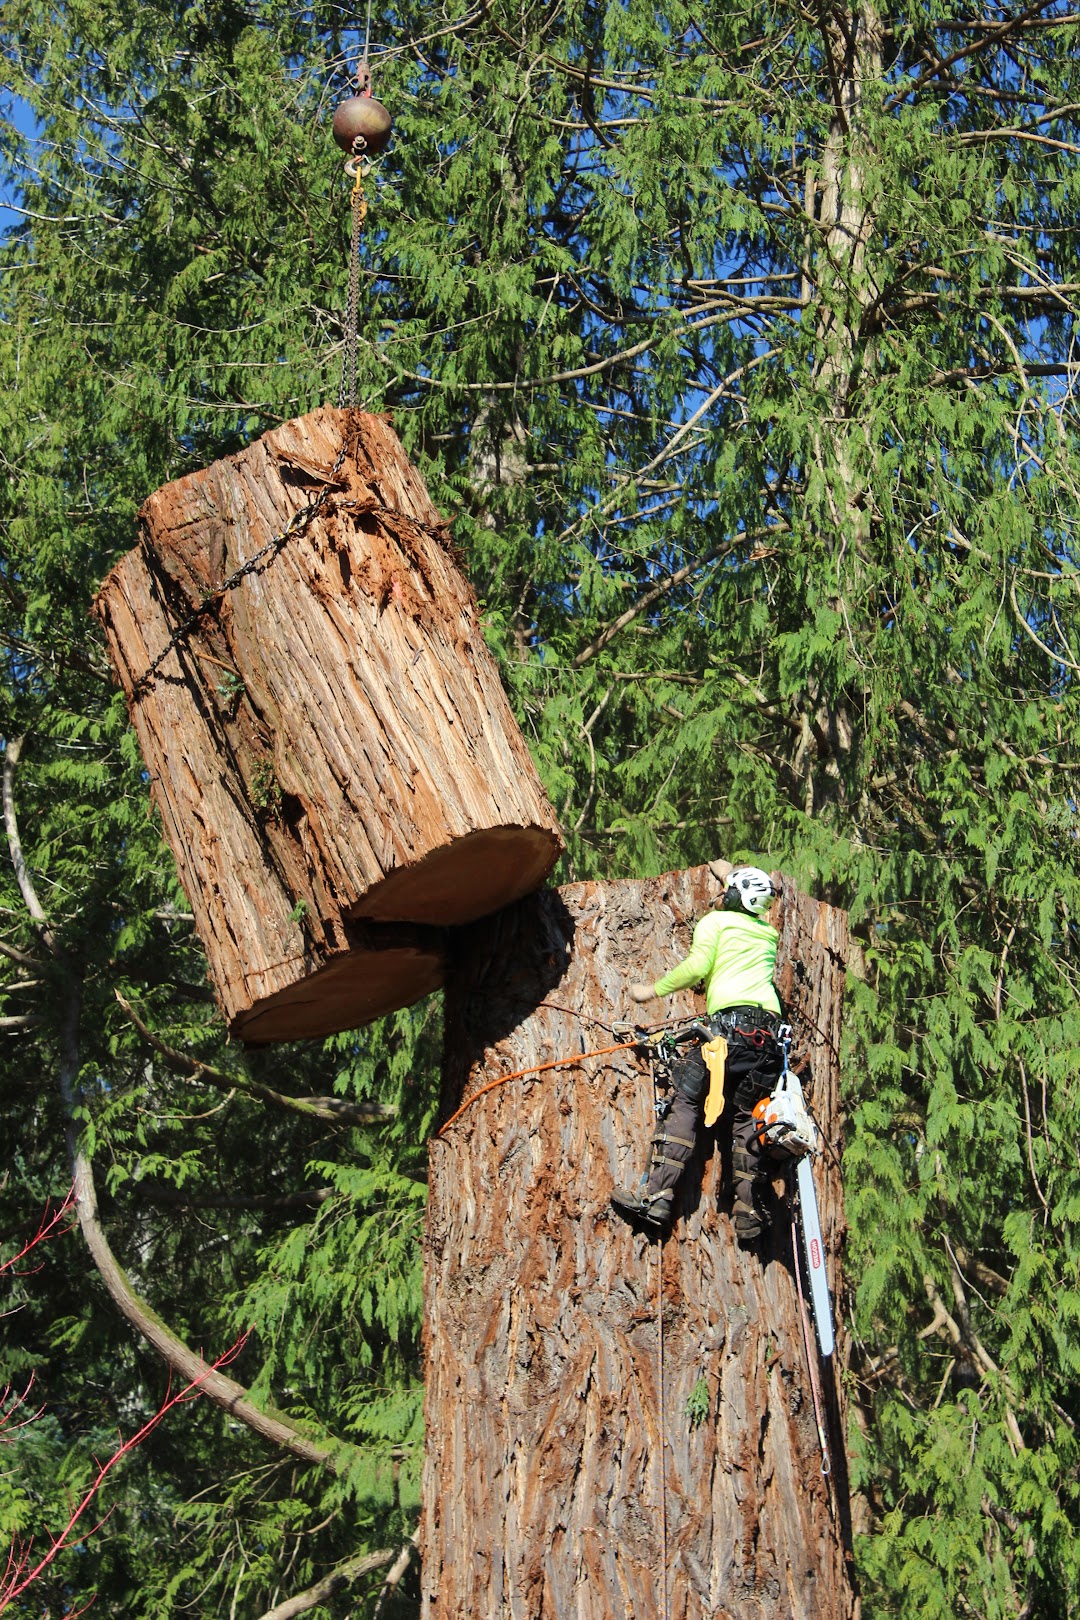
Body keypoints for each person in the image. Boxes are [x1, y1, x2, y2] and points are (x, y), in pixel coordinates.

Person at [610, 865, 785, 1243]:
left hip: (727, 1032)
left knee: (686, 1100)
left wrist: (651, 991)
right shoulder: (767, 932)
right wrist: (729, 874)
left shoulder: (716, 922)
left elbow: (698, 967)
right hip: (767, 1042)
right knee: (745, 1119)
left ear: (733, 896)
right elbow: (746, 894)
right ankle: (748, 1211)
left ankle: (656, 1194)